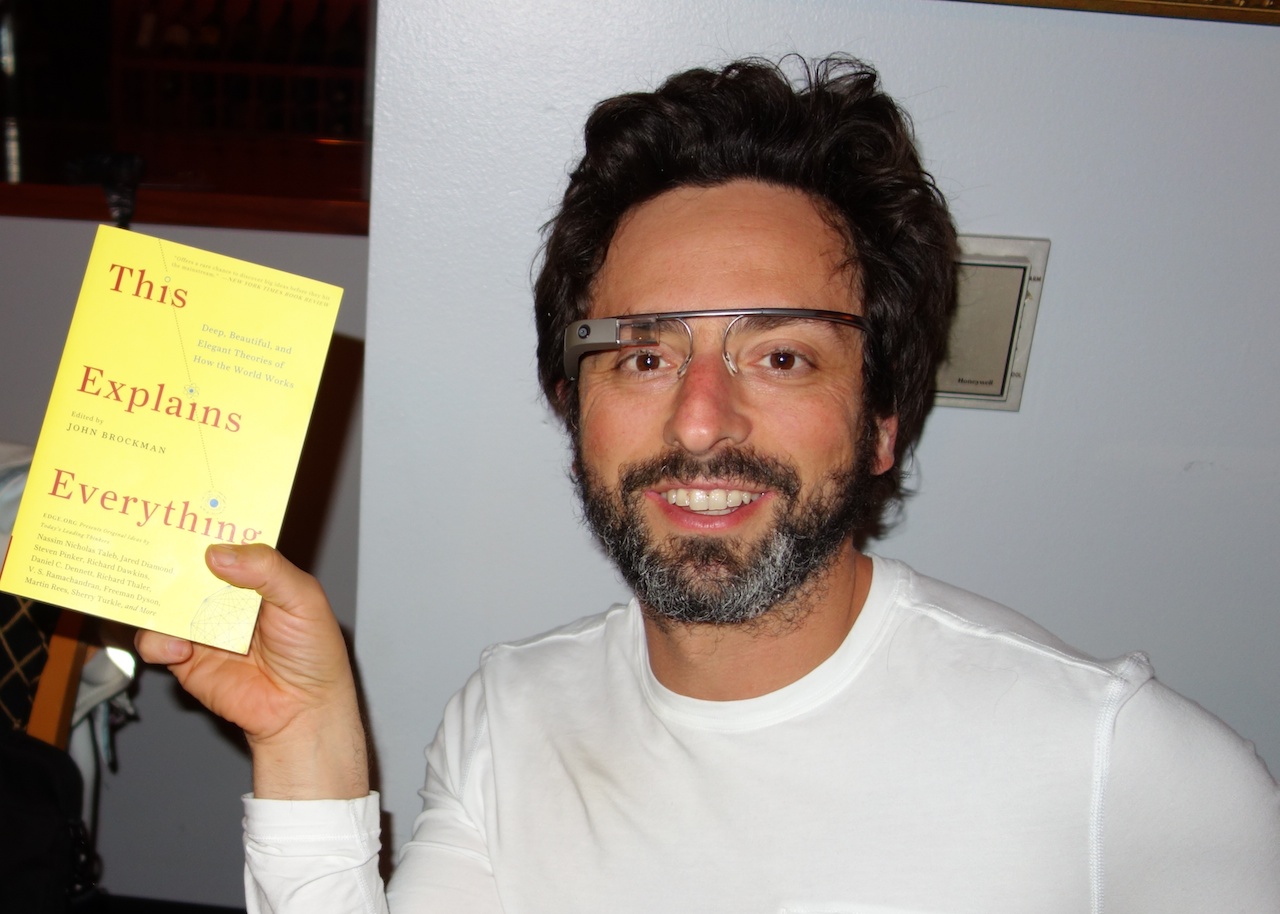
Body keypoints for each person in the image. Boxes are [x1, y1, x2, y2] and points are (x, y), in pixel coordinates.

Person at [136, 56, 1280, 912]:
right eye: (641, 356)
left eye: (779, 357)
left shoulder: (1121, 766)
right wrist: (304, 735)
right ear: (570, 407)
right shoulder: (508, 715)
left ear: (881, 420)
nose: (697, 419)